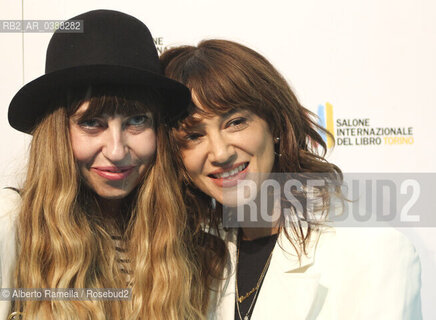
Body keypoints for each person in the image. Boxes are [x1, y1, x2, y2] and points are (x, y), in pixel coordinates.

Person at [160, 40, 422, 319]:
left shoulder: (373, 252)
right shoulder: (189, 262)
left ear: (273, 123)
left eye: (235, 122)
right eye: (194, 136)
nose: (221, 152)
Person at [1, 10, 210, 319]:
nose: (116, 150)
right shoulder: (13, 222)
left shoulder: (180, 233)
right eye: (91, 123)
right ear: (56, 132)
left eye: (136, 120)